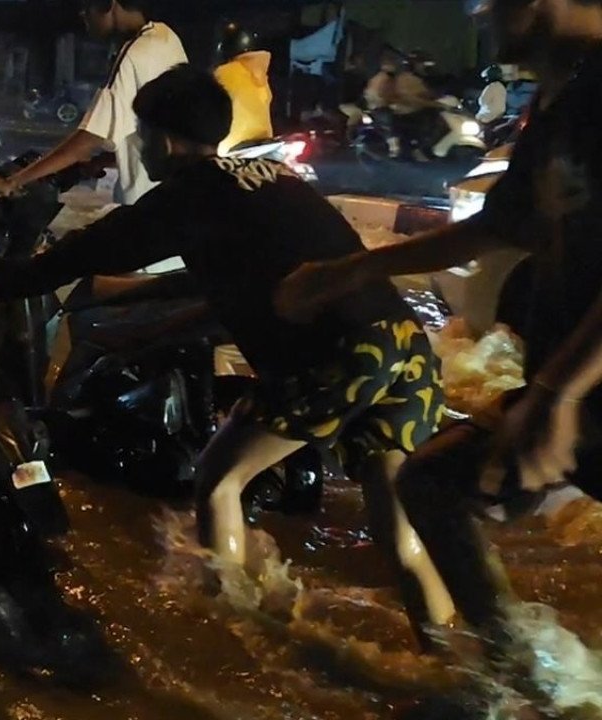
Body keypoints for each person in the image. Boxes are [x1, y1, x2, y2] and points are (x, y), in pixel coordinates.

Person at [0, 66, 456, 633]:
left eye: (142, 133)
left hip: (336, 353)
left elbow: (102, 245)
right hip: (401, 344)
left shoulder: (190, 191)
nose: (138, 145)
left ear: (167, 140)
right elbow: (231, 278)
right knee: (400, 538)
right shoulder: (268, 175)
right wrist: (138, 311)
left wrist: (2, 285)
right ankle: (453, 654)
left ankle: (232, 637)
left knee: (220, 479)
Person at [276, 0, 602, 690]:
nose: (477, 19)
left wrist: (555, 394)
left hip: (579, 392)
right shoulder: (559, 102)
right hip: (580, 395)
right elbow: (504, 226)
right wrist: (351, 269)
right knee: (432, 482)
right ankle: (525, 685)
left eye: (485, 5)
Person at [0, 0, 187, 205]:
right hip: (172, 197)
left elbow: (89, 137)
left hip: (143, 205)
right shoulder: (166, 38)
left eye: (86, 9)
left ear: (110, 5)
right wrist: (101, 161)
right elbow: (148, 132)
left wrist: (14, 181)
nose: (83, 16)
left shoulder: (134, 52)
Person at [212, 22, 274, 156]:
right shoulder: (260, 75)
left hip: (233, 145)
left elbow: (206, 102)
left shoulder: (224, 73)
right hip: (264, 141)